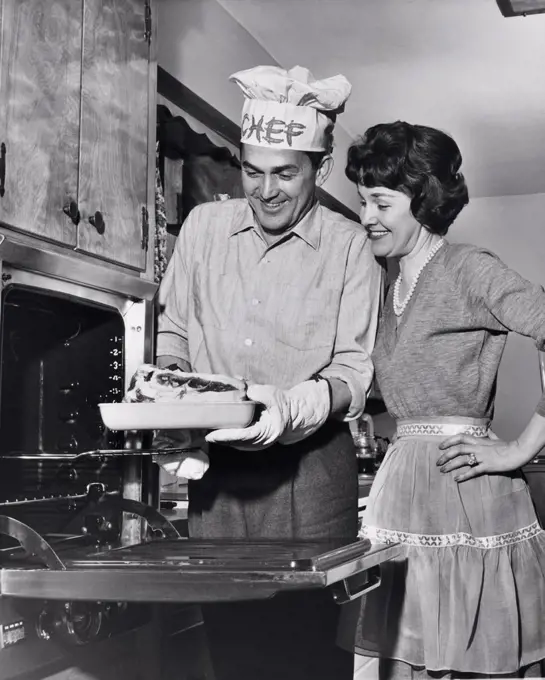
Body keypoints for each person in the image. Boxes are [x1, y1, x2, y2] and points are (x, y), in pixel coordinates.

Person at [155, 64, 383, 680]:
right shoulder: (202, 229)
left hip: (310, 477)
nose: (266, 190)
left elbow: (355, 372)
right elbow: (173, 331)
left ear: (320, 169)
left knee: (305, 653)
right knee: (232, 649)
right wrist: (175, 393)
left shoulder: (350, 246)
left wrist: (295, 407)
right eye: (252, 172)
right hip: (217, 479)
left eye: (285, 173)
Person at [340, 120, 545, 679]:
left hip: (465, 494)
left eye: (380, 202)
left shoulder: (468, 268)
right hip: (402, 488)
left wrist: (520, 448)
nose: (366, 218)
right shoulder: (390, 282)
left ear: (423, 201)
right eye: (362, 202)